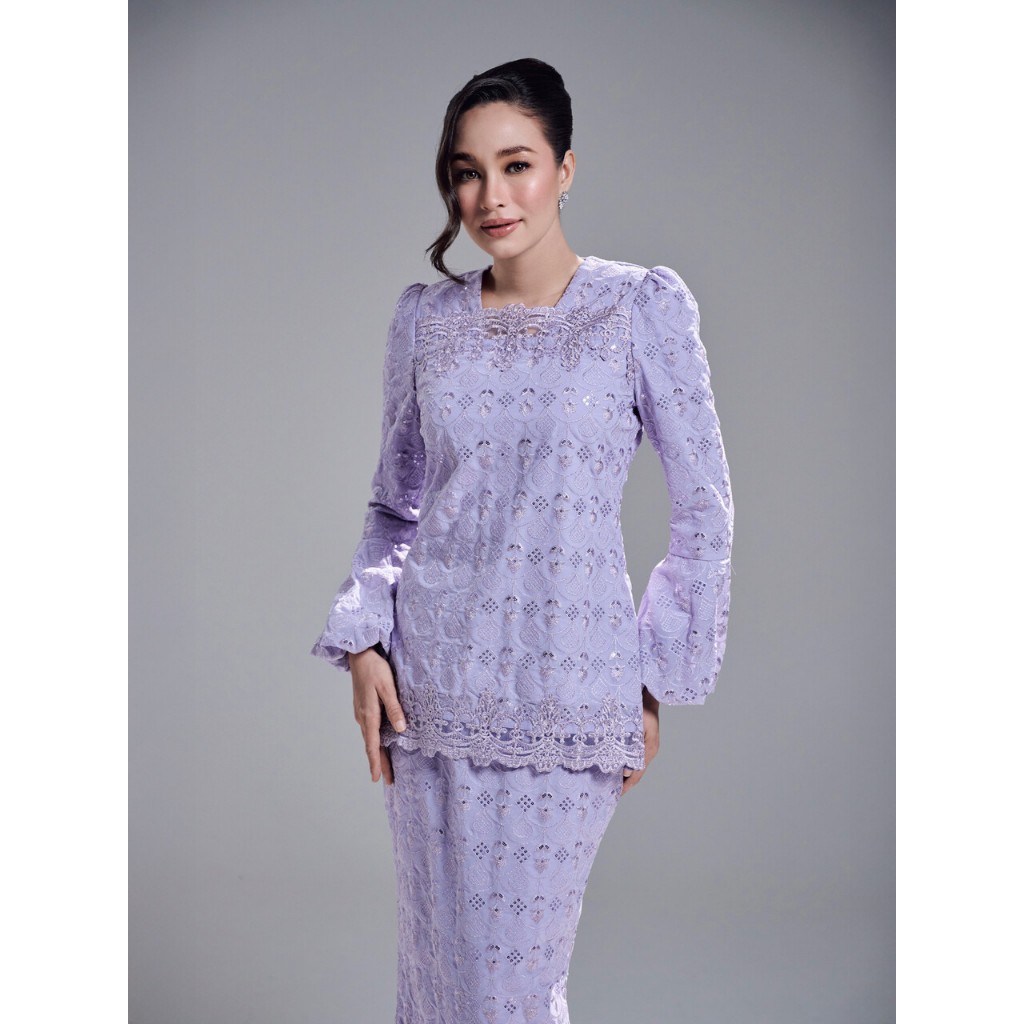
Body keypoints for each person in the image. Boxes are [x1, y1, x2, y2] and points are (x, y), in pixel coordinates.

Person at [310, 57, 734, 1023]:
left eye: (517, 166)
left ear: (565, 169)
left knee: (509, 993)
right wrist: (364, 639)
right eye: (467, 172)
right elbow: (395, 506)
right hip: (427, 697)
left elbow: (704, 506)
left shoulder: (637, 309)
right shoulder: (426, 322)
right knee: (439, 984)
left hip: (566, 696)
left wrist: (652, 677)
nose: (491, 197)